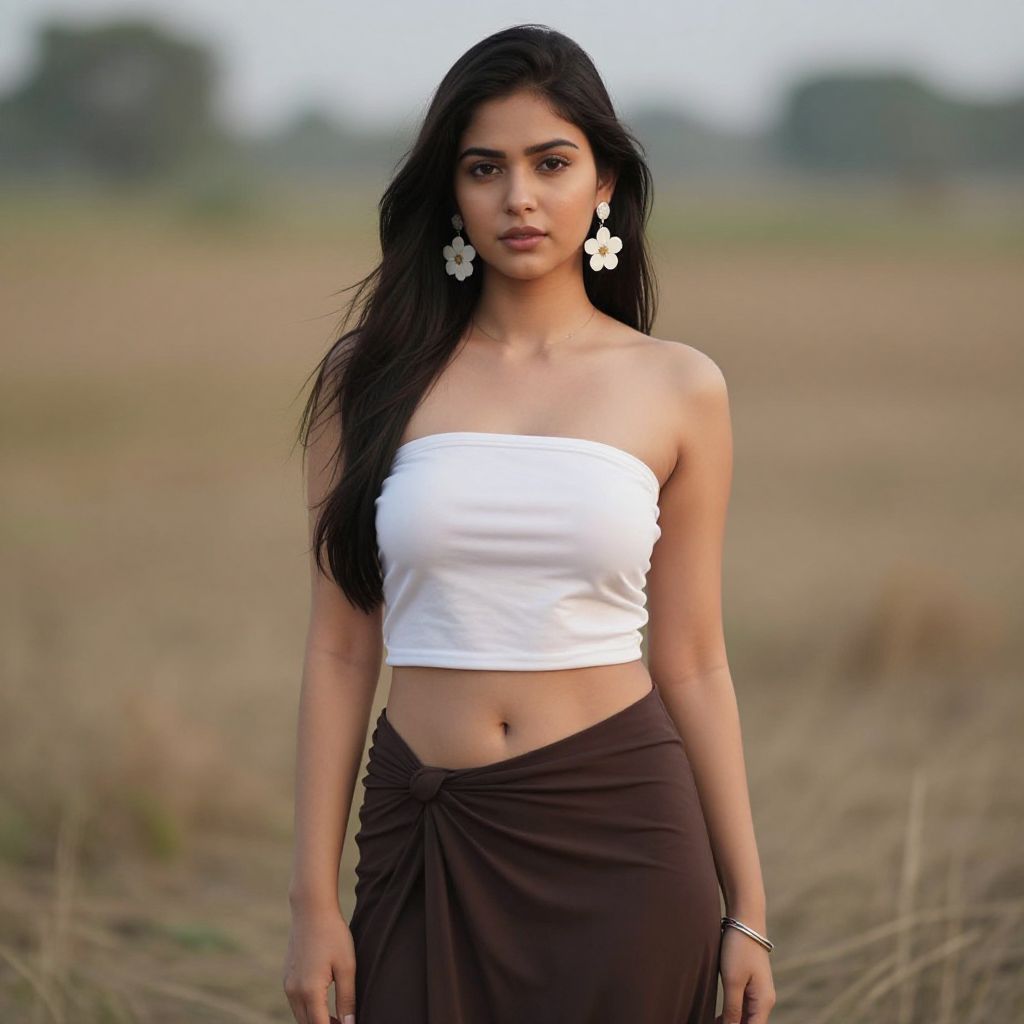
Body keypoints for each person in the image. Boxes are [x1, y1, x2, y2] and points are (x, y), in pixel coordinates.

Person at [282, 23, 776, 1024]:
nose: (518, 196)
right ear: (451, 194)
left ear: (602, 184)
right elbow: (341, 650)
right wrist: (310, 903)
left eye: (551, 163)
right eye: (484, 167)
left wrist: (749, 908)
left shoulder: (677, 385)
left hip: (624, 839)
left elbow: (691, 658)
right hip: (427, 829)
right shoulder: (370, 380)